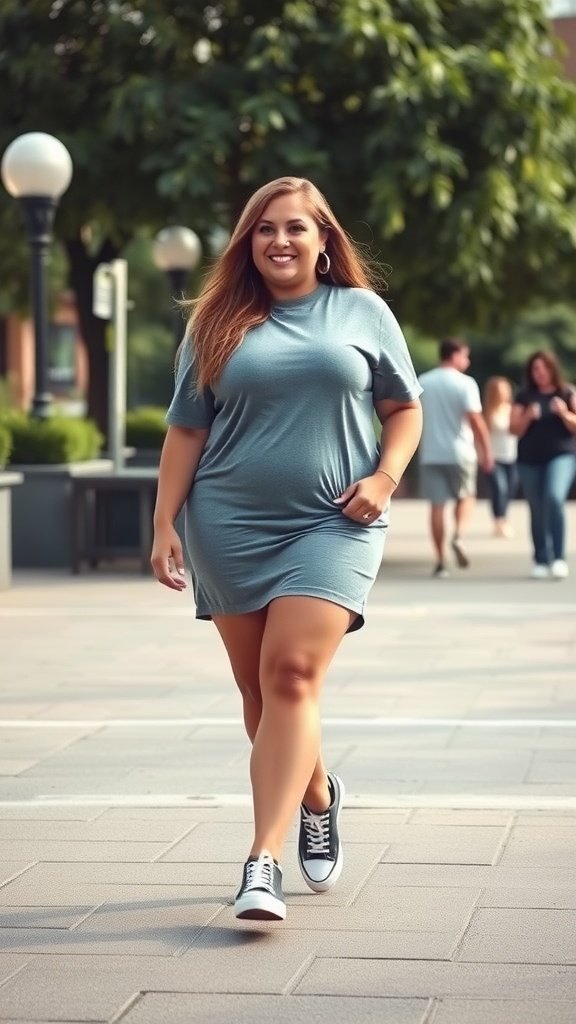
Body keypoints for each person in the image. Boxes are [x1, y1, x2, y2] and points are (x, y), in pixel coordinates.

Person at [150, 176, 423, 922]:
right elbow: (186, 431)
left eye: (297, 228)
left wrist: (386, 475)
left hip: (335, 520)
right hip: (228, 523)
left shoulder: (363, 312)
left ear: (325, 240)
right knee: (261, 694)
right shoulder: (216, 321)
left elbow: (403, 409)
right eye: (265, 228)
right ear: (249, 241)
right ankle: (318, 794)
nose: (280, 240)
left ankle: (260, 861)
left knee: (292, 671)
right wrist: (164, 522)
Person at [418, 338, 494, 578]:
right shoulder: (466, 383)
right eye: (465, 356)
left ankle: (440, 561)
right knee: (467, 495)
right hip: (460, 451)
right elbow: (475, 420)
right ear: (454, 355)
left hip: (431, 452)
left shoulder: (423, 381)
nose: (467, 361)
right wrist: (487, 451)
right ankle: (459, 534)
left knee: (437, 505)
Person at [510, 350, 576, 579]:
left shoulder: (567, 392)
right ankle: (541, 558)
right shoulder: (524, 395)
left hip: (561, 456)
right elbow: (513, 429)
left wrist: (565, 413)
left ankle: (558, 558)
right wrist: (528, 416)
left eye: (544, 368)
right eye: (535, 369)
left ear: (552, 369)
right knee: (536, 507)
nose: (540, 373)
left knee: (554, 497)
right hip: (529, 458)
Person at [482, 376, 518, 538]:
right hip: (493, 457)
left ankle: (502, 519)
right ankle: (499, 521)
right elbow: (482, 436)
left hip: (512, 456)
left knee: (509, 490)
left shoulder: (512, 409)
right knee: (499, 489)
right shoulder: (488, 412)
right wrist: (483, 456)